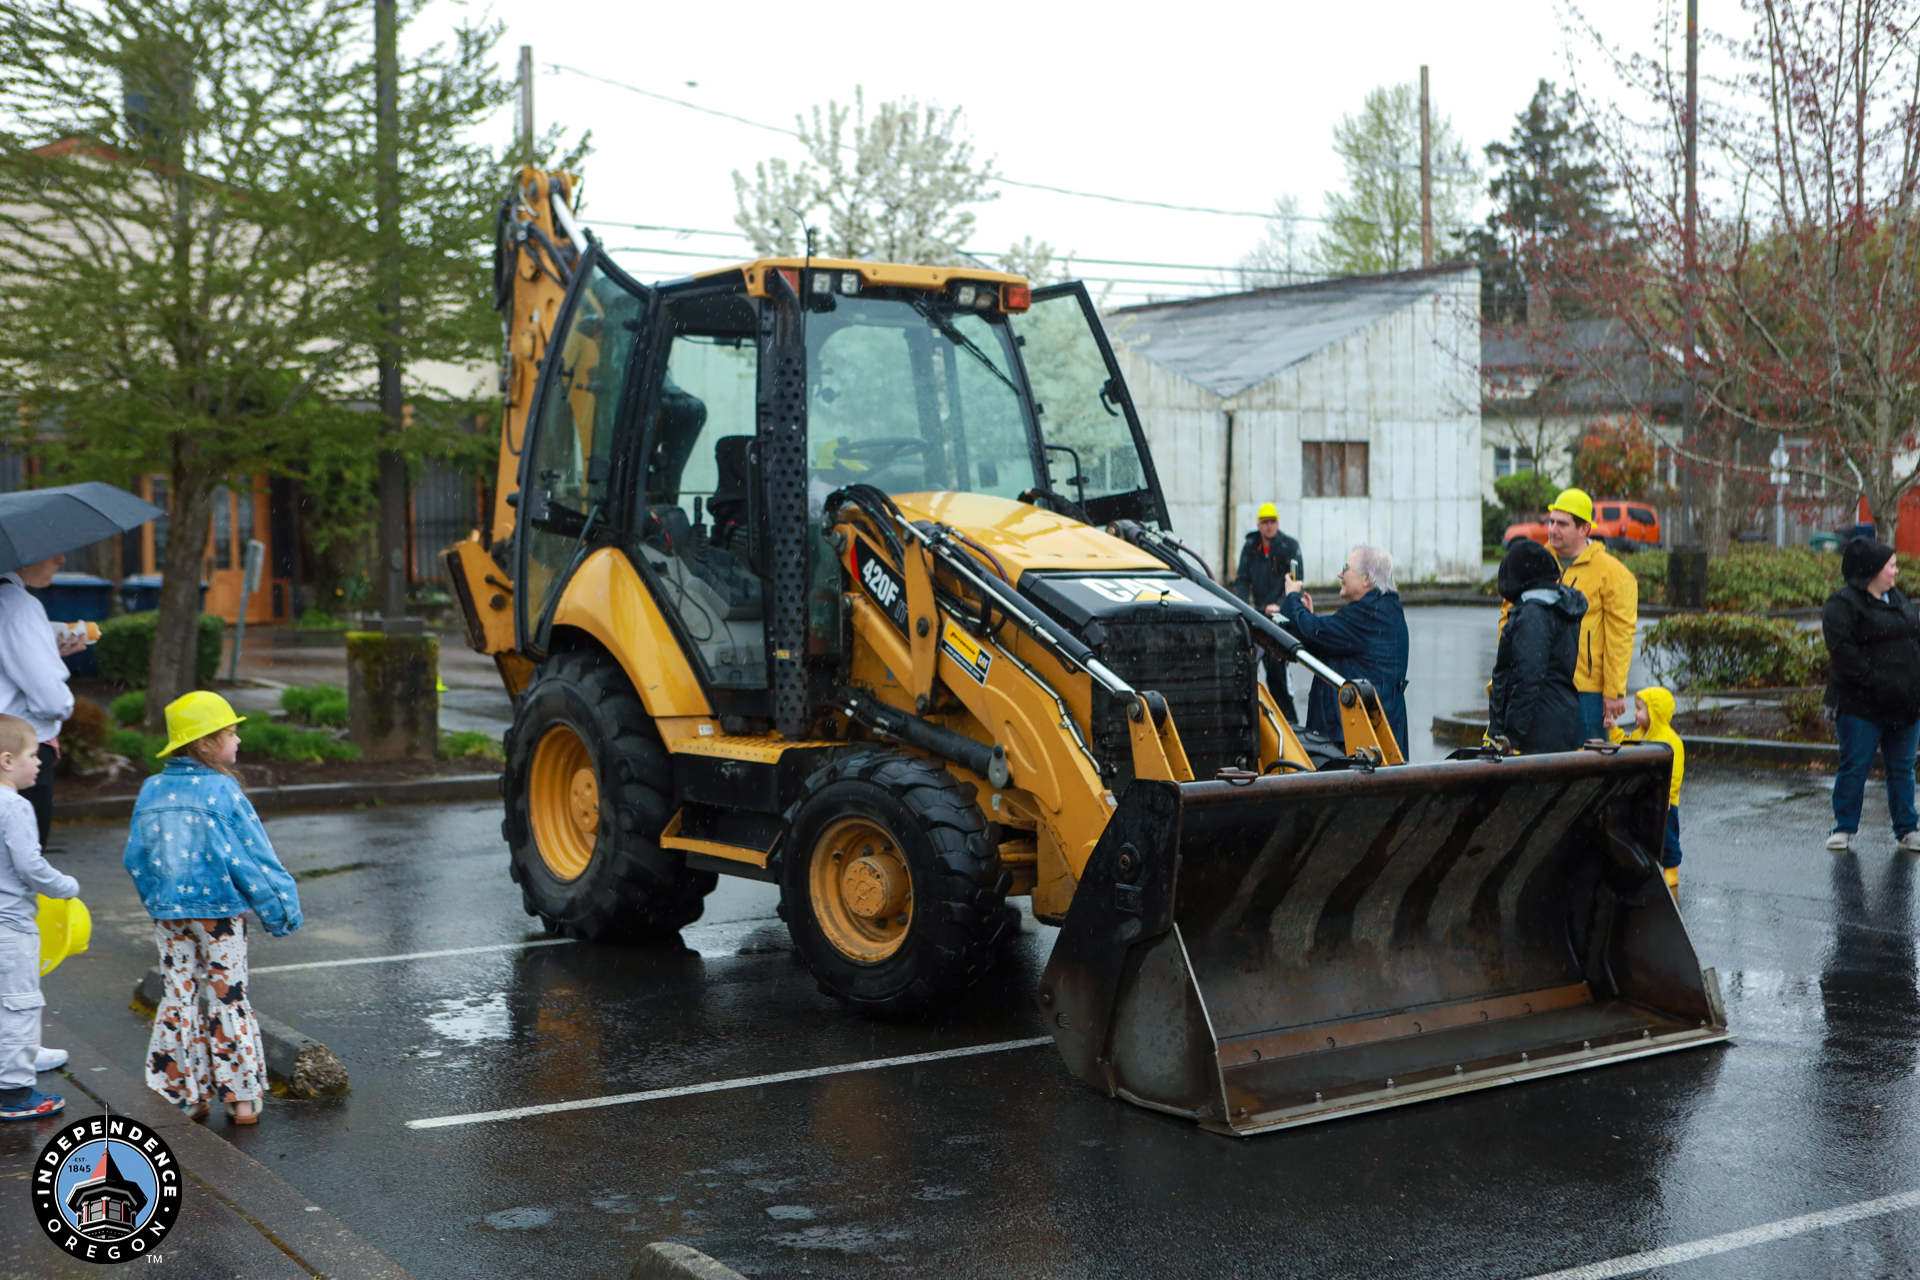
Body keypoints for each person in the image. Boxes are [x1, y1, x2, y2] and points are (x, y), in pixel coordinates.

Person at [123, 692, 301, 1124]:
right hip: (219, 915)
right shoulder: (224, 790)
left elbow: (136, 856)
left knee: (179, 994)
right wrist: (280, 910)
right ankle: (240, 1099)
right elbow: (253, 858)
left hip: (169, 913)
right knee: (228, 997)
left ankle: (184, 1092)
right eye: (231, 732)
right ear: (206, 743)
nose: (237, 740)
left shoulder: (151, 789)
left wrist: (157, 900)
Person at [0, 713, 78, 1121]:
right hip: (11, 927)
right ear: (7, 760)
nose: (40, 763)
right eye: (33, 755)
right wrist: (65, 885)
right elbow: (30, 866)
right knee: (19, 1006)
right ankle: (13, 1094)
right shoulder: (15, 807)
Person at [1821, 538, 1920, 852]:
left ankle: (1907, 829)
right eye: (1890, 566)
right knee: (1855, 766)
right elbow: (1844, 654)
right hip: (1860, 706)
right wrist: (1880, 684)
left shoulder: (1899, 599)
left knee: (1902, 768)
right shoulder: (1843, 604)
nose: (1896, 571)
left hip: (1905, 705)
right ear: (1872, 570)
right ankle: (1844, 828)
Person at [1281, 545, 1409, 750]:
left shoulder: (1368, 613)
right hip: (1372, 730)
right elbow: (1326, 640)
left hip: (1356, 736)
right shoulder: (1383, 608)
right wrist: (1307, 622)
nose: (1340, 574)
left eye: (1346, 568)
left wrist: (1292, 597)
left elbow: (1314, 630)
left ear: (1367, 578)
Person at [0, 552, 85, 845]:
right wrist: (62, 696)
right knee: (20, 863)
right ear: (20, 551)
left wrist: (48, 652)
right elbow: (51, 701)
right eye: (51, 551)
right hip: (16, 746)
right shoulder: (18, 605)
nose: (61, 560)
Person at [1542, 488, 1639, 741]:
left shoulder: (1612, 573)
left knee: (1587, 771)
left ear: (1584, 529)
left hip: (1586, 693)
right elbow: (1508, 622)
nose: (1552, 530)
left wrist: (1614, 691)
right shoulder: (1535, 562)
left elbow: (1620, 636)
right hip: (1540, 686)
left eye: (1562, 524)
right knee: (1541, 770)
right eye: (1551, 522)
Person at [1488, 539, 1587, 754]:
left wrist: (1511, 737)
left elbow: (1528, 679)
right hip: (1552, 719)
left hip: (1535, 730)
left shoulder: (1534, 614)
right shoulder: (1557, 605)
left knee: (1527, 787)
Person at [1233, 502, 1303, 724]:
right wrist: (1244, 608)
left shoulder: (1289, 546)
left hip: (1279, 617)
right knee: (1246, 664)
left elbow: (1295, 580)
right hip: (1259, 615)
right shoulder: (1251, 547)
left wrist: (1281, 606)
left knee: (1276, 666)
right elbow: (1242, 580)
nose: (1269, 527)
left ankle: (1288, 719)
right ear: (1259, 525)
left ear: (1277, 524)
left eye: (1272, 522)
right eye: (1265, 523)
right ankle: (1250, 720)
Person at [1616, 687, 1685, 894]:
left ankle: (1672, 867)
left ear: (1656, 713)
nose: (1636, 714)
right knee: (1645, 830)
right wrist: (1613, 731)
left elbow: (1676, 772)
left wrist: (1668, 795)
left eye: (1641, 710)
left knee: (1667, 835)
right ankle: (1649, 861)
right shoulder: (1640, 734)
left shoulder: (1670, 740)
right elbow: (1626, 747)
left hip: (1665, 801)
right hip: (1644, 796)